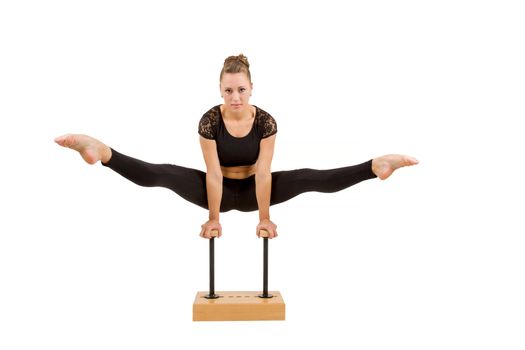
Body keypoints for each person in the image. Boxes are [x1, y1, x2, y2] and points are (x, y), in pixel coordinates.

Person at [55, 54, 418, 240]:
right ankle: (102, 152)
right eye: (228, 90)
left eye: (241, 89)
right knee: (161, 173)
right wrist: (214, 217)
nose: (235, 97)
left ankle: (375, 166)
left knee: (309, 177)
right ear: (220, 91)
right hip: (215, 189)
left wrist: (263, 217)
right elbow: (212, 173)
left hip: (254, 190)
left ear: (251, 88)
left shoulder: (266, 122)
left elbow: (263, 172)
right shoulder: (210, 121)